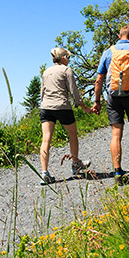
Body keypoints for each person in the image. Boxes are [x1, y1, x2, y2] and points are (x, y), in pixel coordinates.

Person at [92, 25, 129, 184]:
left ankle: (118, 172)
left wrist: (97, 101)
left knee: (116, 133)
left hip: (113, 97)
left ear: (120, 36)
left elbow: (99, 79)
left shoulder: (108, 52)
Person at [39, 47, 93, 184]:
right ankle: (75, 163)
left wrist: (45, 104)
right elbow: (74, 92)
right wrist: (84, 107)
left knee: (46, 140)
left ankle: (44, 172)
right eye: (68, 57)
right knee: (72, 134)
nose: (69, 60)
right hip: (62, 106)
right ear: (63, 58)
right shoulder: (66, 70)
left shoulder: (46, 72)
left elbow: (42, 93)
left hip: (46, 107)